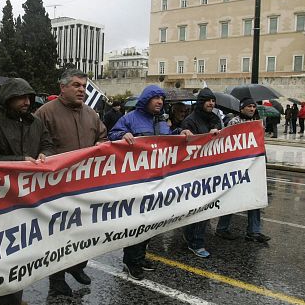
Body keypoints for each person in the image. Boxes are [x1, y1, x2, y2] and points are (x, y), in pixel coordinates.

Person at [0, 78, 53, 305]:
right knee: (11, 250)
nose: (26, 102)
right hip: (2, 198)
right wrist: (19, 161)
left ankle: (8, 296)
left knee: (24, 250)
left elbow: (47, 143)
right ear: (8, 98)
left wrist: (46, 154)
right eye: (21, 97)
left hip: (30, 196)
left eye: (29, 97)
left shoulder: (36, 122)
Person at [35, 69, 108, 296]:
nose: (81, 90)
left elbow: (103, 140)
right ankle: (56, 281)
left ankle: (78, 266)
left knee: (86, 231)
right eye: (76, 85)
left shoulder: (92, 115)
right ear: (62, 88)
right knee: (58, 237)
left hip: (86, 186)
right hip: (57, 189)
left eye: (84, 86)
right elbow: (36, 144)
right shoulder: (45, 113)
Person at [109, 85, 192, 279]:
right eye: (155, 98)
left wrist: (180, 133)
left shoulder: (161, 121)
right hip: (136, 182)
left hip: (157, 181)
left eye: (161, 99)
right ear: (146, 100)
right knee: (137, 222)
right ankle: (131, 261)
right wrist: (122, 135)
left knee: (151, 222)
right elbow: (111, 136)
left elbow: (168, 140)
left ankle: (141, 255)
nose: (159, 102)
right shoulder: (129, 119)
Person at [215, 98, 270, 243]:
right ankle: (222, 228)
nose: (252, 109)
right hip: (238, 168)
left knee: (255, 200)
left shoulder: (257, 123)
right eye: (249, 107)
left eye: (253, 106)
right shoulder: (234, 122)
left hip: (253, 167)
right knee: (233, 199)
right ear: (241, 109)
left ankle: (254, 231)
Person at [179, 88, 222, 258]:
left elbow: (219, 129)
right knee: (198, 208)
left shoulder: (214, 118)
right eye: (208, 100)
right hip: (194, 172)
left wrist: (216, 129)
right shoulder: (190, 121)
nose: (211, 103)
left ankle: (192, 236)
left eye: (213, 100)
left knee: (202, 208)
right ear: (201, 102)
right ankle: (196, 243)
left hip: (210, 169)